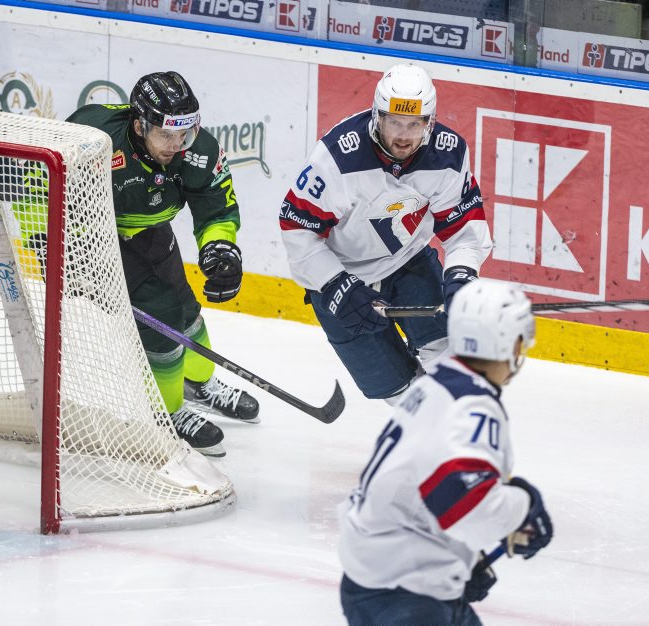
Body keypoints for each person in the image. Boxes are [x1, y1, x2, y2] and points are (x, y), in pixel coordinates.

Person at [64, 71, 259, 458]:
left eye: (184, 133)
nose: (177, 144)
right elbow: (37, 179)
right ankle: (166, 413)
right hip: (92, 238)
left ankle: (198, 383)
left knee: (186, 308)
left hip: (151, 231)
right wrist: (46, 239)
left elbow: (215, 209)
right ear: (139, 124)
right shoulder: (92, 137)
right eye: (166, 134)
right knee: (162, 316)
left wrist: (219, 249)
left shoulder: (198, 151)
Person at [337, 279, 552, 625]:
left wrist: (461, 561)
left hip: (378, 578)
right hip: (403, 594)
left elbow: (420, 483)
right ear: (508, 344)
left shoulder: (435, 386)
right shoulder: (471, 408)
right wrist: (524, 506)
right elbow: (460, 500)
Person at [279, 62, 492, 404]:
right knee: (400, 392)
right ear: (378, 117)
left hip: (408, 262)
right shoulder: (336, 157)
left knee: (451, 356)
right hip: (343, 275)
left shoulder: (448, 154)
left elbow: (463, 230)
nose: (403, 135)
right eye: (394, 122)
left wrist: (461, 276)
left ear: (430, 122)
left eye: (415, 124)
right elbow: (297, 228)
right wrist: (336, 284)